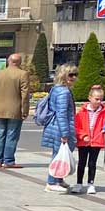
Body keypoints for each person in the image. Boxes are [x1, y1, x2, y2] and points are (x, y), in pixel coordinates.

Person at [0, 53, 31, 169]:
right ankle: (9, 160)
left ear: (8, 61)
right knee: (12, 135)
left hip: (0, 110)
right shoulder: (23, 74)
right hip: (15, 110)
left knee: (0, 134)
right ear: (20, 62)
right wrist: (25, 110)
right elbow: (25, 95)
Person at [42, 65, 79, 194]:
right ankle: (51, 182)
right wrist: (65, 133)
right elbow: (62, 113)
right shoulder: (63, 92)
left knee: (60, 154)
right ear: (63, 76)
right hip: (59, 127)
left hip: (55, 126)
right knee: (58, 155)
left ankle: (58, 179)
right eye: (71, 75)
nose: (74, 77)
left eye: (75, 74)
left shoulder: (57, 89)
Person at [72, 84, 105, 195]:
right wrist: (83, 135)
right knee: (82, 162)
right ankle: (79, 183)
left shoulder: (104, 112)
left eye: (101, 99)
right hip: (84, 141)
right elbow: (77, 126)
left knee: (92, 163)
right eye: (96, 99)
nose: (99, 102)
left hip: (97, 141)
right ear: (90, 98)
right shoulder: (82, 112)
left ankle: (91, 183)